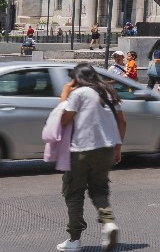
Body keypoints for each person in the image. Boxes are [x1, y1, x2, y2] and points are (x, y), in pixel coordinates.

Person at [55, 62, 126, 252]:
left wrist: (65, 93)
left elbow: (62, 120)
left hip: (81, 150)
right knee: (99, 190)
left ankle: (74, 240)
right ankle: (108, 224)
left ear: (78, 78)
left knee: (74, 192)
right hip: (107, 149)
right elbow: (122, 122)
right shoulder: (109, 92)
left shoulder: (78, 94)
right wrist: (118, 149)